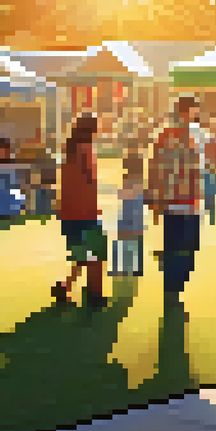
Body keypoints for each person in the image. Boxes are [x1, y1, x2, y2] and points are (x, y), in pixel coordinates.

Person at [149, 97, 205, 311]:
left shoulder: (192, 135)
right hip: (175, 201)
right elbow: (156, 167)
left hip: (188, 200)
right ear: (185, 111)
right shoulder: (167, 136)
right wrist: (155, 198)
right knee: (180, 249)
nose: (195, 115)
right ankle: (172, 289)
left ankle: (172, 279)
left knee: (187, 248)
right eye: (194, 110)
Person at [55, 114, 107, 309]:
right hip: (85, 211)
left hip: (69, 212)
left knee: (81, 255)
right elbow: (90, 181)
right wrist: (94, 207)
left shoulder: (69, 150)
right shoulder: (87, 150)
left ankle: (66, 286)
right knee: (97, 255)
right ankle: (95, 295)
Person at [113, 155, 148, 278]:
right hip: (136, 216)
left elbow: (122, 195)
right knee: (136, 241)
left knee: (121, 241)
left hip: (128, 215)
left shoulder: (128, 180)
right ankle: (138, 268)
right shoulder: (140, 181)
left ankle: (118, 268)